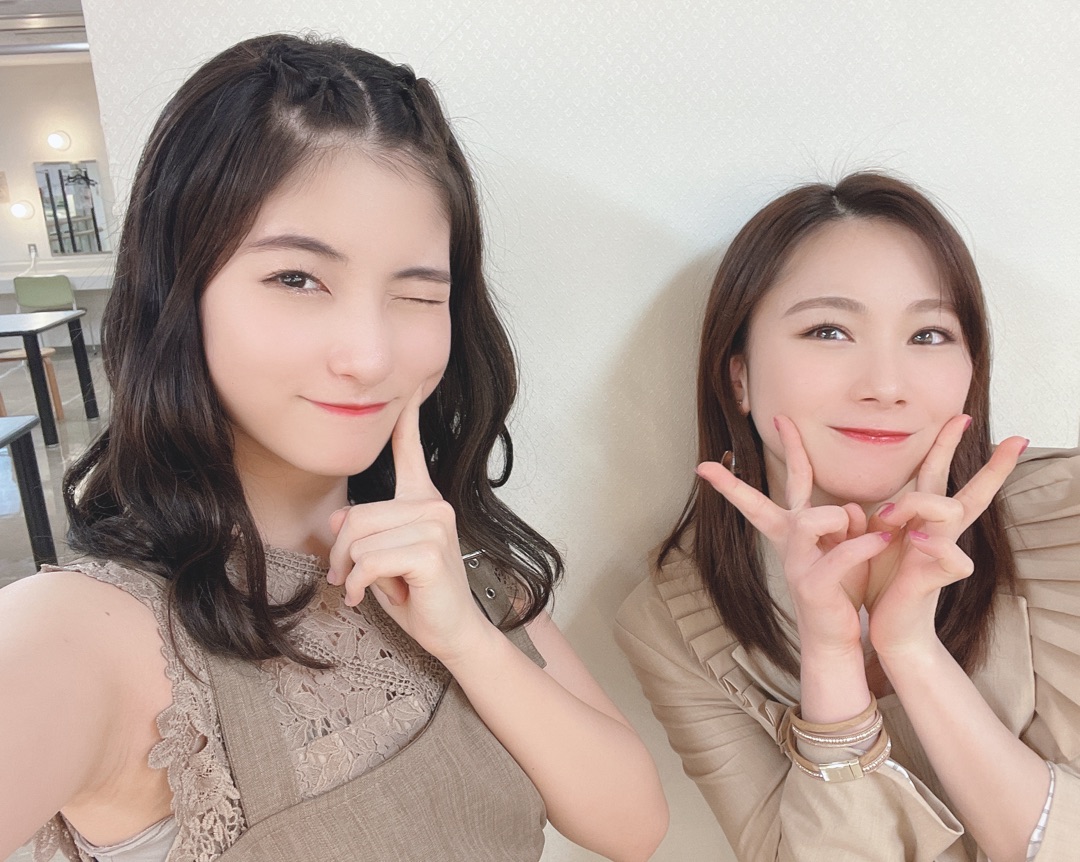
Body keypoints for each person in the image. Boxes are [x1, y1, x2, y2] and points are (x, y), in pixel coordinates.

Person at [0, 34, 667, 862]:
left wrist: (465, 637)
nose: (370, 355)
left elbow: (633, 825)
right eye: (297, 279)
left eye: (416, 294)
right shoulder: (84, 633)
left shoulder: (441, 543)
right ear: (178, 289)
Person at [615, 171, 1080, 861]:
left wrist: (912, 650)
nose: (886, 386)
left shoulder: (1066, 517)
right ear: (739, 377)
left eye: (929, 334)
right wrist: (832, 666)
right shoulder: (677, 625)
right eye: (828, 330)